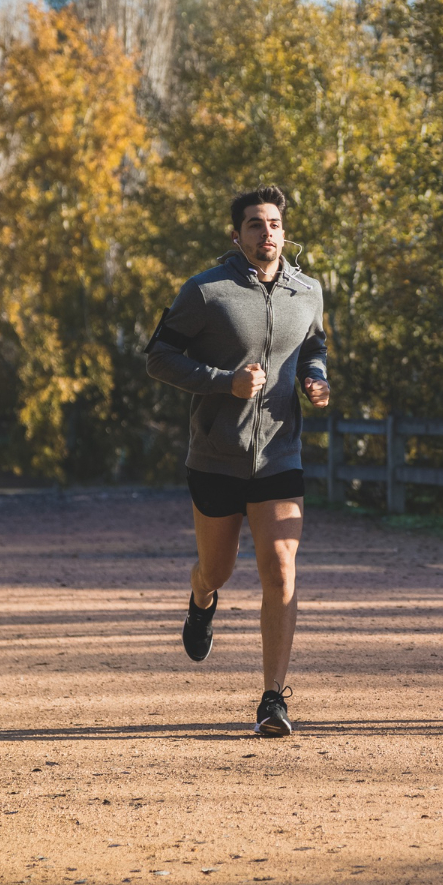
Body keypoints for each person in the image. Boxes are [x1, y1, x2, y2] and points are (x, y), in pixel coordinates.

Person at [145, 185, 330, 736]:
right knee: (218, 568)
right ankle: (201, 599)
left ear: (283, 230)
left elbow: (312, 344)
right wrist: (226, 383)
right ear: (237, 235)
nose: (266, 233)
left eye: (274, 223)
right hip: (217, 456)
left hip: (279, 454)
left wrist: (316, 378)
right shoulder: (207, 292)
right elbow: (159, 357)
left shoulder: (308, 292)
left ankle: (273, 697)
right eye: (255, 224)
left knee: (281, 569)